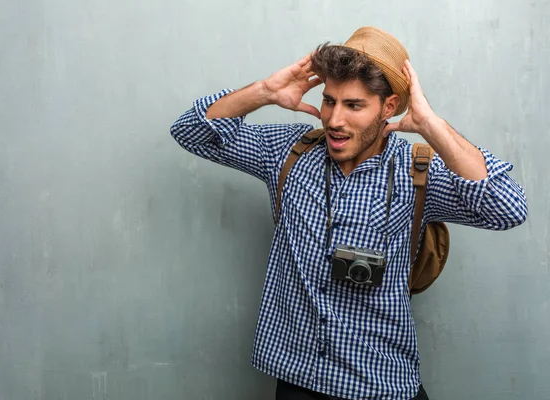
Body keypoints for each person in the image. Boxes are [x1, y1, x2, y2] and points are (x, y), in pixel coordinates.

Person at [170, 26, 527, 400]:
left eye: (354, 105)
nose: (334, 119)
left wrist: (431, 126)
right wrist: (264, 92)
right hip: (297, 376)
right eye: (329, 100)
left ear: (388, 107)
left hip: (379, 383)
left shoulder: (417, 172)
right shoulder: (288, 153)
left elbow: (508, 208)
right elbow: (191, 132)